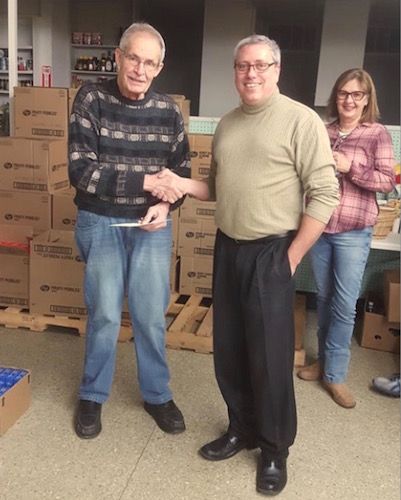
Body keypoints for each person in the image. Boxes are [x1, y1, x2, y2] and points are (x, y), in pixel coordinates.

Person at [149, 34, 339, 496]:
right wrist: (177, 182)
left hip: (273, 251)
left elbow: (325, 194)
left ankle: (274, 449)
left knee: (270, 359)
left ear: (276, 69)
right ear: (234, 72)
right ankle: (241, 428)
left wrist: (291, 259)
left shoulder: (300, 121)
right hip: (228, 247)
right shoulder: (228, 125)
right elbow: (216, 187)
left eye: (260, 65)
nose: (250, 74)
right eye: (241, 66)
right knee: (230, 349)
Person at [68, 22, 191, 440]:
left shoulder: (169, 110)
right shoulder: (91, 98)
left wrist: (163, 202)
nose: (140, 69)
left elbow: (182, 173)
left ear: (160, 67)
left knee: (150, 314)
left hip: (150, 225)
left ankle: (157, 394)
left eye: (150, 62)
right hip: (101, 219)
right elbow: (81, 171)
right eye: (134, 58)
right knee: (103, 312)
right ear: (118, 57)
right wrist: (147, 183)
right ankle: (92, 394)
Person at [297, 69, 396, 409]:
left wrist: (349, 166)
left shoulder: (376, 134)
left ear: (367, 99)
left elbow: (387, 182)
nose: (349, 100)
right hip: (321, 228)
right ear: (335, 97)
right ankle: (323, 362)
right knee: (323, 299)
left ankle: (336, 375)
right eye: (343, 93)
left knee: (343, 304)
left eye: (356, 94)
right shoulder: (323, 132)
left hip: (354, 232)